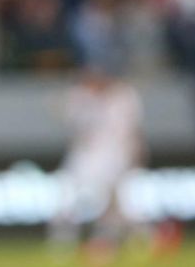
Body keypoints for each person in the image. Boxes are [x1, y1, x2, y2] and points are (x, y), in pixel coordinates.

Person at [48, 64, 147, 263]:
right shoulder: (80, 96)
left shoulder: (124, 97)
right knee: (68, 199)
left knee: (115, 205)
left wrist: (135, 156)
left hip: (114, 157)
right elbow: (73, 125)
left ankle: (108, 243)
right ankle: (64, 244)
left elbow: (132, 132)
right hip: (84, 157)